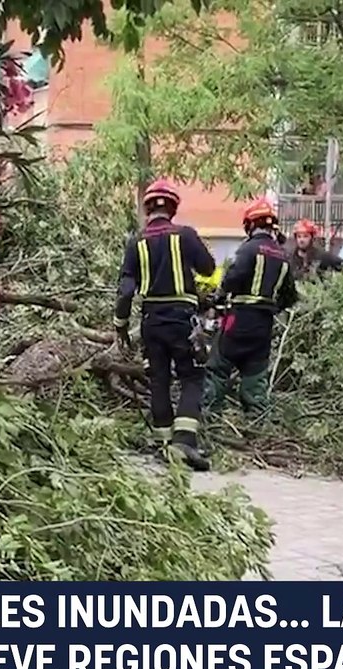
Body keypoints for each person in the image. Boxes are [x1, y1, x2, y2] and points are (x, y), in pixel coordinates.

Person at [114, 178, 217, 470]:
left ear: (148, 209)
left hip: (151, 322)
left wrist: (120, 326)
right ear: (173, 208)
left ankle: (163, 444)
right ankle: (184, 441)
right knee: (192, 377)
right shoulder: (185, 235)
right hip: (182, 319)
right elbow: (209, 269)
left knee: (158, 379)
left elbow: (124, 292)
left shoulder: (136, 242)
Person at [203, 198, 299, 416]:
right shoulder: (283, 256)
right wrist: (273, 308)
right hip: (264, 325)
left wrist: (217, 297)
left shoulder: (248, 250)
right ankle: (256, 423)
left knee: (219, 366)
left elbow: (232, 279)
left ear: (251, 224)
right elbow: (290, 296)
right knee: (255, 374)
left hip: (239, 319)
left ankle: (210, 417)